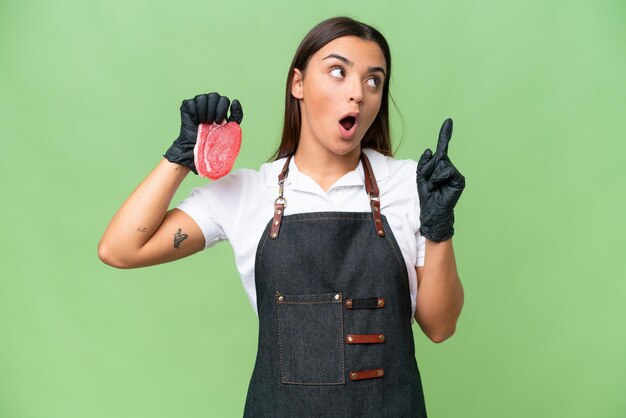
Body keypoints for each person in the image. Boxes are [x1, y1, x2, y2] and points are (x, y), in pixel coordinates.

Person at [98, 16, 465, 418]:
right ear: (298, 83)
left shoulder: (411, 184)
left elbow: (440, 326)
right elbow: (120, 249)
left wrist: (439, 229)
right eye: (338, 72)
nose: (357, 93)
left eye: (373, 80)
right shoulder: (249, 193)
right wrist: (182, 155)